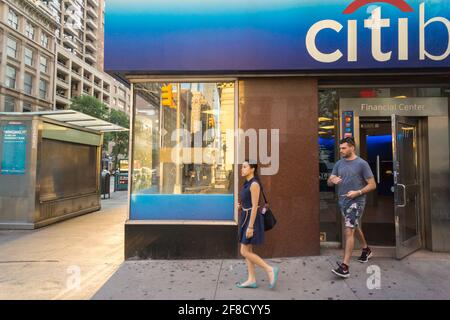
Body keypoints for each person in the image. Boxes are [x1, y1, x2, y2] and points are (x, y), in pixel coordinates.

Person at [328, 137, 377, 278]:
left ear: (352, 148)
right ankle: (366, 249)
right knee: (354, 225)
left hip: (357, 201)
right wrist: (332, 180)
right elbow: (329, 182)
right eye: (340, 148)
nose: (341, 150)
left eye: (344, 148)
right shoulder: (339, 163)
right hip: (343, 202)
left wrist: (358, 192)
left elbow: (372, 185)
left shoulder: (362, 164)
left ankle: (345, 267)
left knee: (349, 231)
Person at [236, 160, 280, 289]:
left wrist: (250, 227)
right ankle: (251, 279)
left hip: (252, 220)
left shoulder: (254, 184)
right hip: (246, 216)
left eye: (245, 167)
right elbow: (248, 201)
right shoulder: (247, 183)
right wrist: (241, 206)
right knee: (248, 249)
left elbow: (255, 206)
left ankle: (269, 269)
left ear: (252, 169)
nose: (242, 169)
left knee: (243, 251)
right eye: (242, 167)